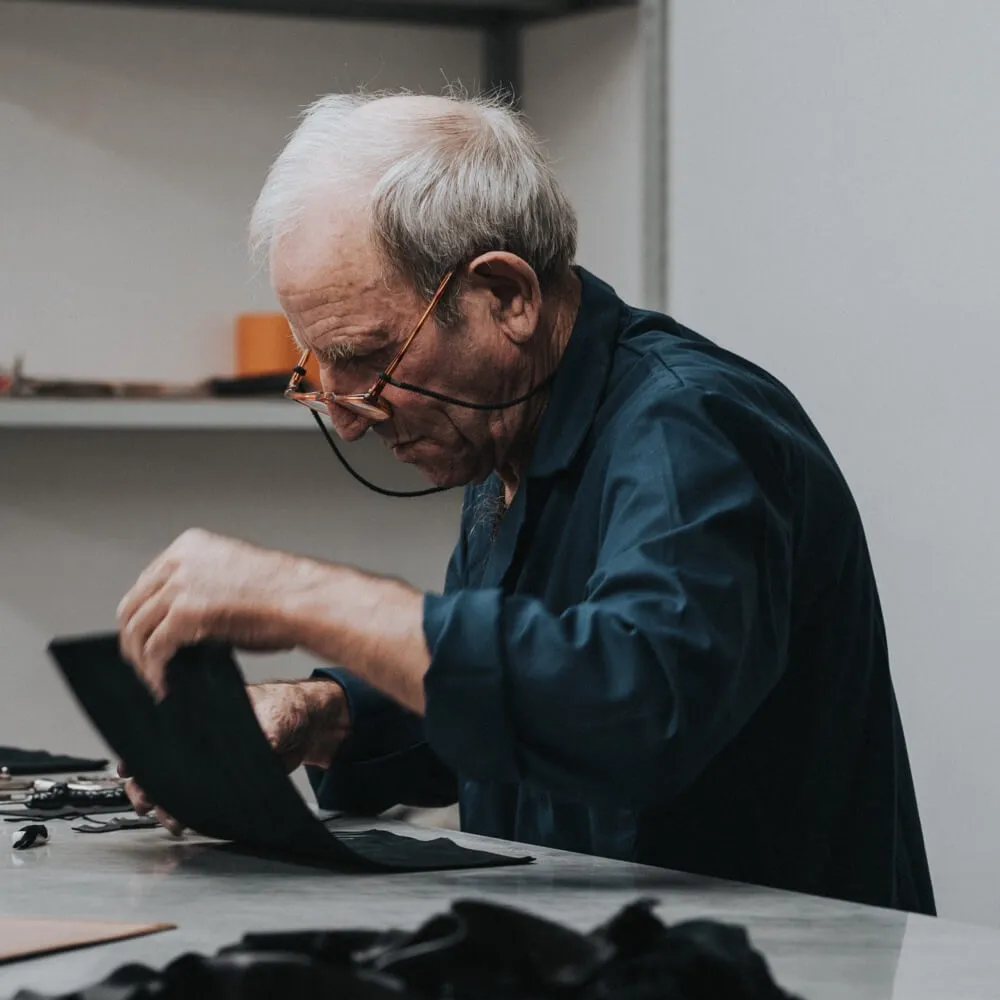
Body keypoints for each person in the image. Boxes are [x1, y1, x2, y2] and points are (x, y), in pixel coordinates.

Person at [116, 91, 935, 915]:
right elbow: (511, 706)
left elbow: (631, 703)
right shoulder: (508, 438)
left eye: (365, 356)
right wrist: (318, 711)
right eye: (320, 370)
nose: (349, 416)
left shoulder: (693, 427)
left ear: (506, 295)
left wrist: (299, 594)